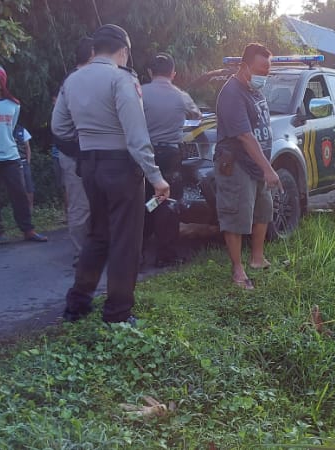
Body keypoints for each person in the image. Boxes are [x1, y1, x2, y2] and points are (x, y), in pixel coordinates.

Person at [52, 24, 170, 325]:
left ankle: (76, 306)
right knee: (125, 241)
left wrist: (86, 148)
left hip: (89, 167)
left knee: (98, 235)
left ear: (94, 50)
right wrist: (156, 177)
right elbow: (136, 136)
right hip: (121, 167)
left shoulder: (73, 79)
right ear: (124, 51)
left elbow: (59, 128)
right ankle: (117, 314)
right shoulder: (121, 79)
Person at [213, 42, 282, 290]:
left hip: (256, 163)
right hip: (236, 163)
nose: (264, 75)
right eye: (261, 69)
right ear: (244, 66)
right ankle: (238, 270)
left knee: (263, 210)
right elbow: (244, 135)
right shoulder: (232, 93)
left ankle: (257, 258)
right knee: (236, 214)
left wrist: (264, 165)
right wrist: (268, 168)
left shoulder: (254, 90)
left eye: (267, 71)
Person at [0, 64, 47, 243]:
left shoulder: (13, 104)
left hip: (11, 155)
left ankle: (28, 229)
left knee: (20, 194)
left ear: (2, 80)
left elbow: (11, 128)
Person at [141, 52, 202, 267]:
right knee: (167, 202)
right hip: (169, 157)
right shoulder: (181, 96)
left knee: (145, 200)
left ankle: (138, 252)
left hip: (143, 156)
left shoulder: (139, 92)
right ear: (173, 74)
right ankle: (165, 255)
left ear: (150, 72)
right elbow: (196, 115)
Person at [53, 37, 94, 264]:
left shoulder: (77, 79)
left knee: (90, 203)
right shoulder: (76, 81)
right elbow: (59, 128)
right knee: (81, 205)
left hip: (84, 153)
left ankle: (91, 250)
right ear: (92, 55)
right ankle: (82, 252)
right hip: (76, 154)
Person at [13, 123, 35, 211]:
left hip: (24, 161)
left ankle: (30, 207)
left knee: (28, 185)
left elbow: (27, 147)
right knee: (18, 186)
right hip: (13, 163)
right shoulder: (5, 129)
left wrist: (28, 162)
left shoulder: (21, 130)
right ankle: (20, 208)